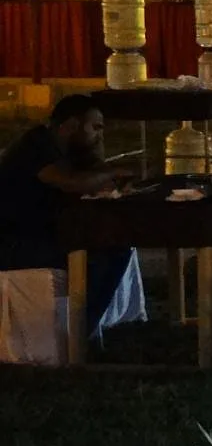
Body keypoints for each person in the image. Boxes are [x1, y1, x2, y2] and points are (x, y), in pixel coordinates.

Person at [0, 95, 137, 332]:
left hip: (41, 236)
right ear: (71, 126)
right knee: (106, 254)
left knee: (115, 245)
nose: (100, 135)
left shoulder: (67, 149)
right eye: (96, 128)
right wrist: (112, 173)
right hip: (13, 244)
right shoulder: (36, 144)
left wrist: (101, 163)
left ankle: (81, 328)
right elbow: (72, 183)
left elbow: (93, 174)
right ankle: (79, 331)